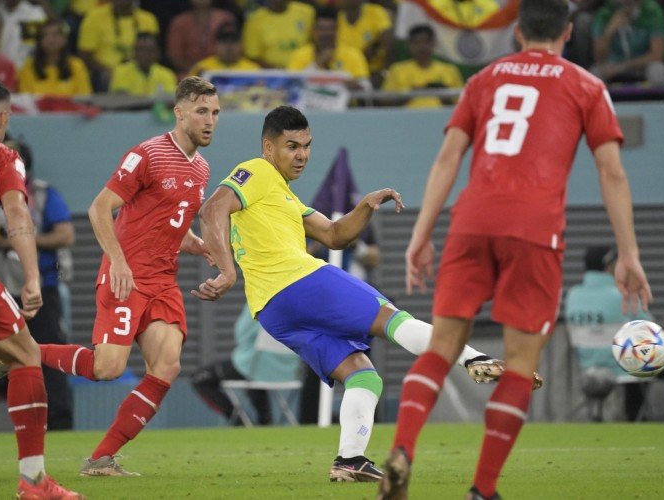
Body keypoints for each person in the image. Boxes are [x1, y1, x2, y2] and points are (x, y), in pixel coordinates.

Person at [378, 0, 653, 497]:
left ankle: (403, 449)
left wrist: (420, 233)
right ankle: (482, 489)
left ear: (519, 32)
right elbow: (612, 171)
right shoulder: (587, 86)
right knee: (520, 364)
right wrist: (628, 253)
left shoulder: (482, 80)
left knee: (442, 348)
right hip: (534, 229)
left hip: (471, 221)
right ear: (568, 31)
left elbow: (448, 157)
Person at [194, 105, 540, 483]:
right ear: (268, 147)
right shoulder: (257, 171)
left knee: (363, 375)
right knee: (391, 318)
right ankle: (475, 360)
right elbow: (212, 209)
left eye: (306, 146)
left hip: (273, 311)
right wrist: (228, 271)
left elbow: (335, 234)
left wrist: (365, 205)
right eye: (291, 146)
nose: (301, 155)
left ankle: (349, 460)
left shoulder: (284, 196)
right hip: (299, 281)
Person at [0, 76, 220, 477]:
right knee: (106, 368)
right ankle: (20, 353)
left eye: (215, 113)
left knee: (168, 365)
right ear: (179, 113)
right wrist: (119, 262)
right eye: (201, 111)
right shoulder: (147, 154)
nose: (210, 120)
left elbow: (170, 225)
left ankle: (101, 458)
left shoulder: (202, 167)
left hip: (162, 281)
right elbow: (98, 209)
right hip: (125, 276)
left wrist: (200, 245)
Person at [0, 76, 82, 499]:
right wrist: (32, 278)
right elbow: (17, 217)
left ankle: (2, 345)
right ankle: (34, 483)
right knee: (27, 356)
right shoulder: (1, 153)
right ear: (2, 117)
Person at [0, 136, 76, 430]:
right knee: (2, 358)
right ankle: (19, 421)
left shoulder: (44, 194)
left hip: (42, 287)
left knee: (49, 350)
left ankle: (59, 420)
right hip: (0, 289)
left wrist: (23, 240)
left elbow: (66, 235)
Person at [566, 245, 664, 422]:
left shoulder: (573, 296)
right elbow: (651, 327)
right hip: (624, 367)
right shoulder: (621, 295)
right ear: (609, 266)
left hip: (589, 367)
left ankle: (636, 416)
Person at [191, 303, 301, 425]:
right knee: (254, 377)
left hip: (252, 367)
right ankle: (265, 422)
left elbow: (241, 334)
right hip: (289, 372)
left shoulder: (257, 302)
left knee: (199, 379)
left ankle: (239, 422)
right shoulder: (295, 304)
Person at [77, 0, 159, 91]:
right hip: (106, 73)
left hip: (139, 70)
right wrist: (109, 70)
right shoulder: (94, 17)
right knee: (108, 78)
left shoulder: (148, 19)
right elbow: (85, 55)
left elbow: (152, 50)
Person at [381, 24, 464, 108]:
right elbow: (386, 102)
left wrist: (443, 95)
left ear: (433, 44)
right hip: (406, 119)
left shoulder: (449, 70)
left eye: (426, 42)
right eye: (417, 43)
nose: (422, 47)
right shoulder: (397, 69)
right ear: (409, 45)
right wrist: (410, 95)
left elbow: (461, 104)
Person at [287, 6, 370, 87]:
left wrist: (352, 84)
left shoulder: (353, 54)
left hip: (347, 100)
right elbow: (292, 84)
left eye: (330, 29)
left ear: (337, 30)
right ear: (314, 30)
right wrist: (318, 64)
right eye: (322, 29)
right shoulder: (300, 54)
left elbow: (367, 88)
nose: (326, 33)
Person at [591, 0, 664, 85]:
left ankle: (657, 97)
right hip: (613, 64)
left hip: (642, 64)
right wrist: (610, 31)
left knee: (658, 70)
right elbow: (598, 58)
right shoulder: (605, 13)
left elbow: (657, 55)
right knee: (595, 74)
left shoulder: (652, 10)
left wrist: (624, 66)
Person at [18, 19, 92, 97]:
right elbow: (25, 99)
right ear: (39, 40)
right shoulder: (29, 66)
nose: (51, 39)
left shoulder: (76, 65)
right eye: (45, 35)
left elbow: (84, 98)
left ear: (65, 39)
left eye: (56, 34)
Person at [166, 0, 239, 77]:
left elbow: (232, 44)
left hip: (222, 71)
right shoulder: (179, 22)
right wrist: (197, 70)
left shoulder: (225, 18)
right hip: (189, 73)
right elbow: (175, 55)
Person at [242, 0, 316, 68]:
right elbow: (253, 56)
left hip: (307, 69)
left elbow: (317, 41)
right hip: (272, 75)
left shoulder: (307, 12)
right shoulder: (255, 20)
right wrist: (278, 72)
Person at [109, 32, 178, 96]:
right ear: (134, 52)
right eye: (140, 49)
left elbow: (169, 100)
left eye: (149, 50)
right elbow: (120, 98)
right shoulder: (120, 71)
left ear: (157, 53)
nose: (144, 54)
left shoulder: (167, 74)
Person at [188, 26, 260, 77]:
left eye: (233, 42)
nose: (229, 47)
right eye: (224, 42)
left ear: (241, 45)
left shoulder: (253, 69)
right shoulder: (201, 68)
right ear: (215, 45)